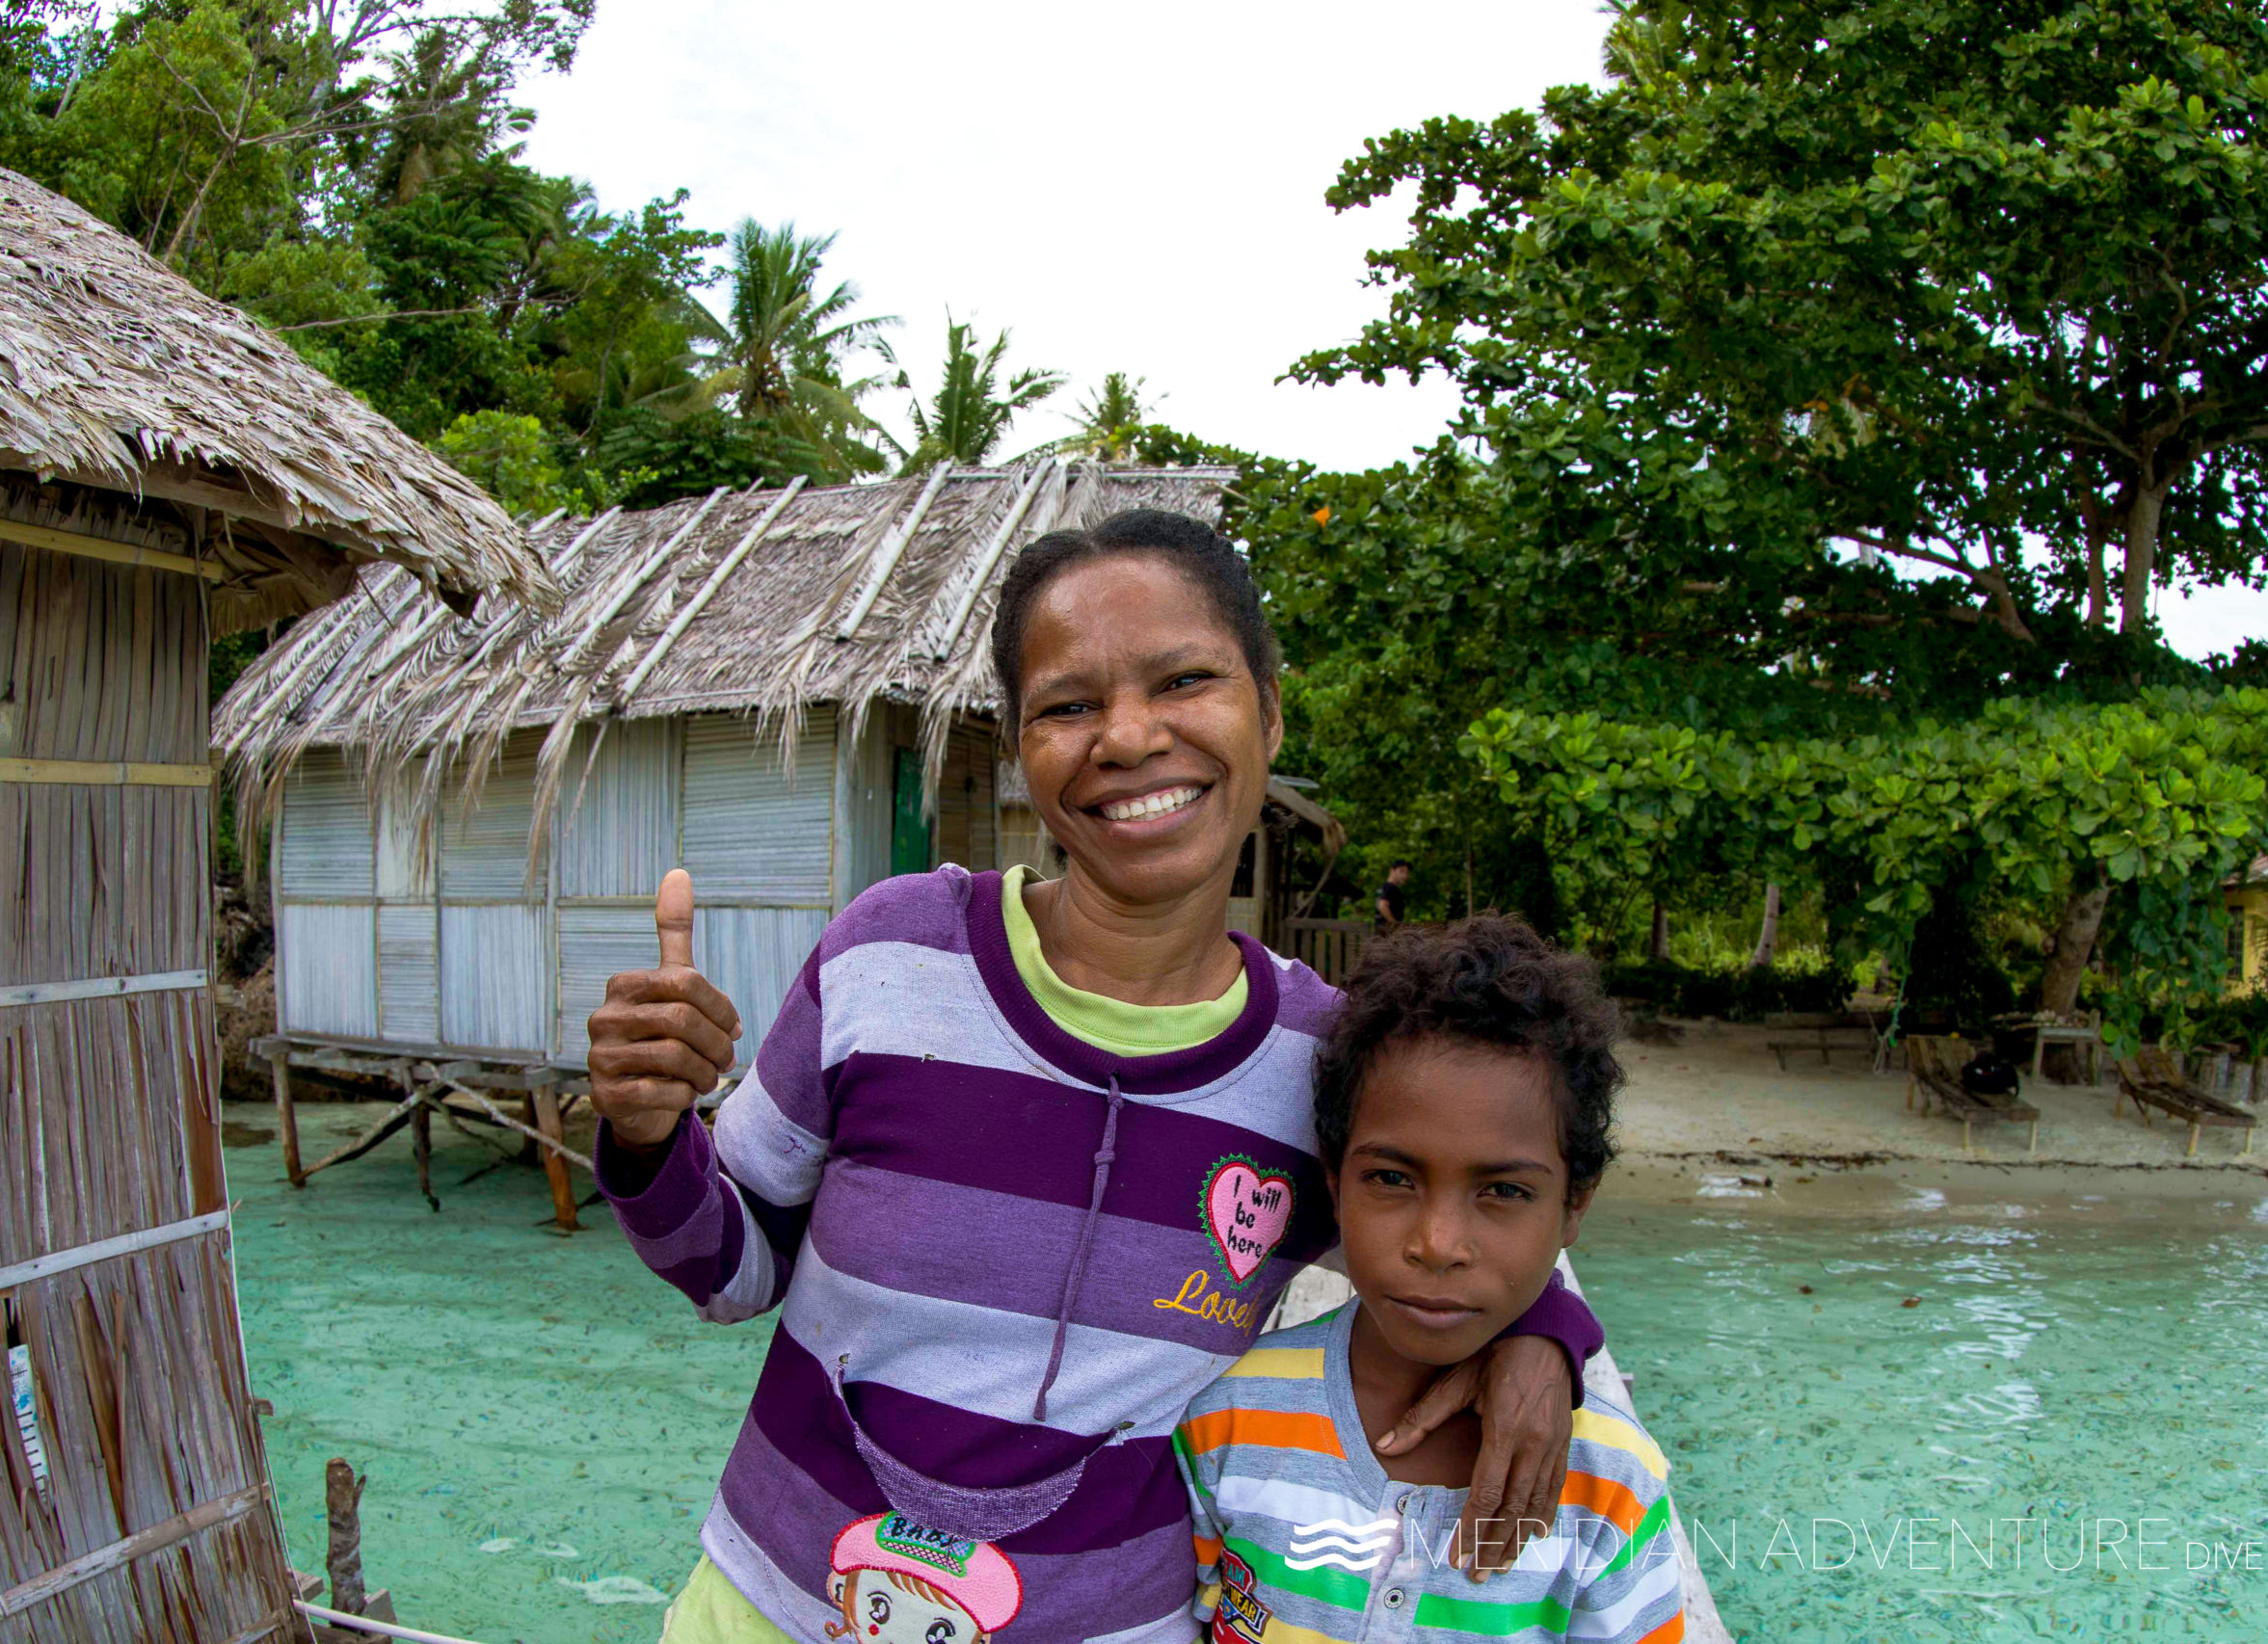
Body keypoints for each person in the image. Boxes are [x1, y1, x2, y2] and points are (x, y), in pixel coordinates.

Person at [585, 510, 1606, 1644]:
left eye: (1183, 679)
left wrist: (1543, 1339)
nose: (1126, 736)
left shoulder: (1327, 1059)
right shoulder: (889, 953)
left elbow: (1467, 1224)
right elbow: (731, 1269)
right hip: (768, 1610)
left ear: (1268, 710)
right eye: (1067, 704)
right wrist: (644, 1134)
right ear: (1021, 746)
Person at [1179, 917, 1683, 1644]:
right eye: (1391, 1178)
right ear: (1334, 1178)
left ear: (1575, 1203)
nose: (1438, 1244)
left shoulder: (1613, 1489)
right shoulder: (1229, 1421)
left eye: (1504, 1192)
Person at [1376, 859, 1411, 931]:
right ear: (1392, 870)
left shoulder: (1385, 887)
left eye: (1406, 872)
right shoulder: (1390, 888)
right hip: (1389, 934)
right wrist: (1395, 926)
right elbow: (1382, 906)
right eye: (1401, 871)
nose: (1405, 875)